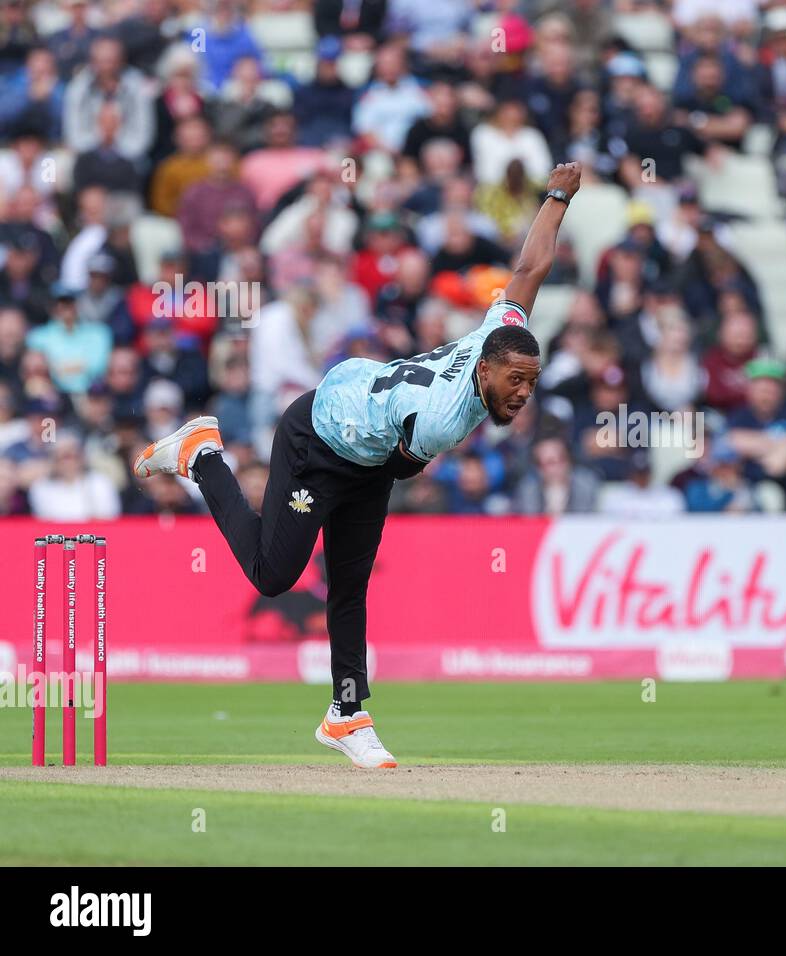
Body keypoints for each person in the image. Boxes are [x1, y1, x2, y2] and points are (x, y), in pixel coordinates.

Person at [132, 163, 583, 769]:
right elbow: (400, 469)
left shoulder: (499, 333)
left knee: (350, 585)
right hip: (318, 436)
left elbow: (530, 270)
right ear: (484, 370)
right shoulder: (446, 418)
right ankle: (204, 454)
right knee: (273, 576)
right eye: (515, 381)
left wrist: (556, 196)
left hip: (368, 433)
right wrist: (369, 479)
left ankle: (348, 714)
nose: (524, 393)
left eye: (530, 382)